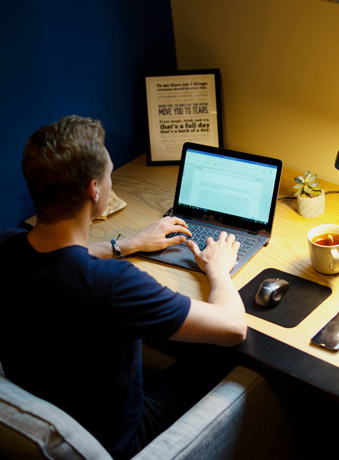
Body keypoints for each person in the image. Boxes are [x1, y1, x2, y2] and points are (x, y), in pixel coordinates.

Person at [0, 115, 247, 459]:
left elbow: (57, 252)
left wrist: (126, 245)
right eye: (110, 172)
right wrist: (218, 270)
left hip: (52, 396)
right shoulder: (113, 284)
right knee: (224, 355)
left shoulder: (7, 248)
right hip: (122, 438)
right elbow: (234, 327)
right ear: (94, 189)